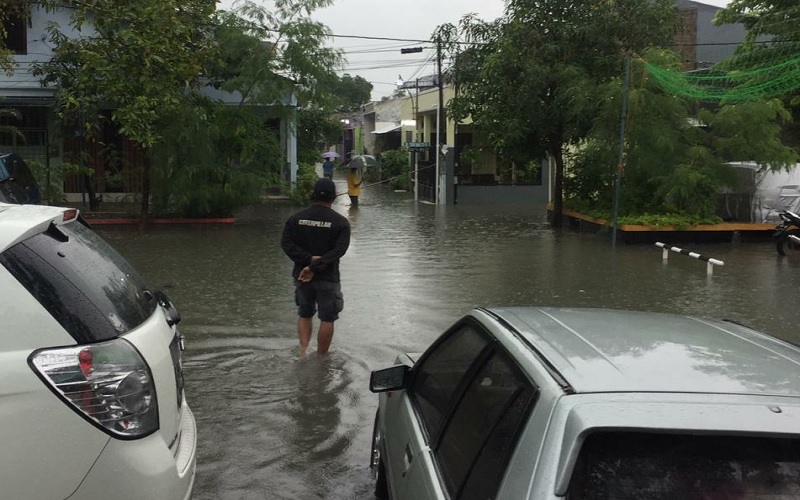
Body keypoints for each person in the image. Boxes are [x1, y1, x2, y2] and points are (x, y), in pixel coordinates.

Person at [281, 177, 351, 356]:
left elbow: (286, 244)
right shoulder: (341, 223)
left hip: (302, 276)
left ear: (312, 195)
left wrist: (307, 261)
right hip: (327, 277)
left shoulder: (295, 219)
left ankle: (304, 351)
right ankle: (321, 359)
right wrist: (315, 265)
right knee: (327, 318)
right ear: (333, 197)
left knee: (304, 313)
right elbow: (339, 251)